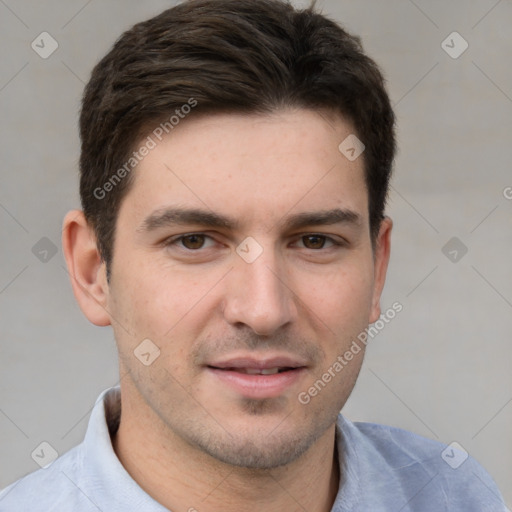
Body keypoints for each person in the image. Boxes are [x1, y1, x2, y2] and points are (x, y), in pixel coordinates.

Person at [0, 0, 506, 510]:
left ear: (378, 270)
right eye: (194, 241)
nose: (264, 310)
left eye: (315, 241)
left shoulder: (460, 496)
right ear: (93, 272)